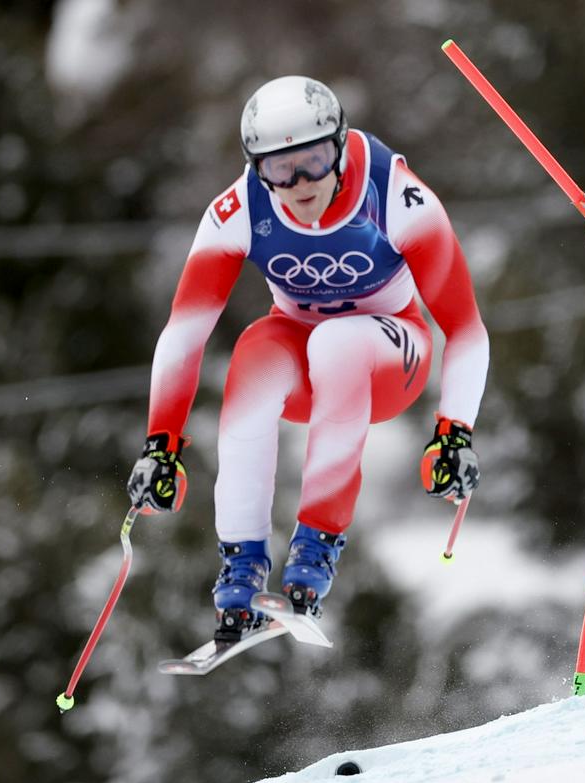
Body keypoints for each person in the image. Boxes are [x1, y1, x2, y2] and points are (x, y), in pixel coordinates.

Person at [125, 75, 488, 642]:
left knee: (337, 342)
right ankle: (241, 567)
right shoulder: (239, 209)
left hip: (392, 355)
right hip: (302, 358)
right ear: (256, 167)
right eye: (278, 169)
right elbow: (184, 332)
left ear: (339, 147)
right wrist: (160, 444)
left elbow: (466, 329)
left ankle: (316, 547)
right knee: (251, 351)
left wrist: (454, 433)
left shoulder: (393, 193)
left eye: (314, 162)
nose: (298, 184)